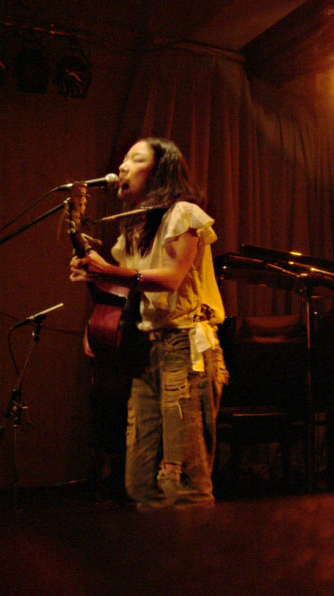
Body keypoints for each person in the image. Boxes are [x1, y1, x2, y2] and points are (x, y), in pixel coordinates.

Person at [69, 137, 228, 510]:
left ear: (159, 171)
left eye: (135, 159)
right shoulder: (135, 230)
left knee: (184, 483)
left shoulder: (184, 214)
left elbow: (171, 278)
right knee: (140, 483)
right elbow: (123, 287)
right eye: (124, 159)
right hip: (147, 352)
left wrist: (108, 271)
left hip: (185, 350)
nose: (122, 167)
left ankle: (199, 547)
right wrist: (90, 268)